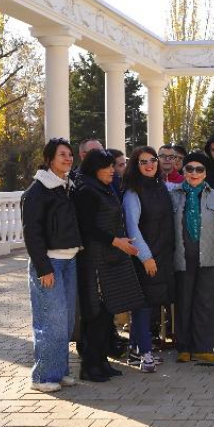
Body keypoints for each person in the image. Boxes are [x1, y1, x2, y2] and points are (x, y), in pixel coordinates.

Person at [74, 149, 145, 381]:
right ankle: (89, 366)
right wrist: (117, 242)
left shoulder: (101, 187)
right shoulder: (86, 191)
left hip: (110, 258)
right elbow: (88, 229)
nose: (113, 171)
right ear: (96, 168)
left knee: (107, 313)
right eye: (109, 167)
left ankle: (102, 361)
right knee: (96, 314)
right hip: (96, 260)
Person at [22, 138, 83, 392]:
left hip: (70, 261)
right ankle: (42, 377)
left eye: (70, 155)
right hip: (50, 264)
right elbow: (32, 233)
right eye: (62, 155)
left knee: (66, 321)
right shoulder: (37, 191)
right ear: (49, 159)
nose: (68, 159)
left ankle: (59, 371)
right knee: (51, 320)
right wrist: (44, 267)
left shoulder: (66, 186)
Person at [170, 152, 214, 363]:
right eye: (190, 169)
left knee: (205, 303)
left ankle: (203, 347)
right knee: (184, 302)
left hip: (208, 257)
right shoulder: (173, 195)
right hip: (181, 258)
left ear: (206, 173)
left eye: (199, 169)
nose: (194, 173)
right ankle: (184, 347)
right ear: (184, 171)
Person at [122, 146, 175, 373]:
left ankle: (134, 350)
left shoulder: (160, 187)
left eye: (152, 160)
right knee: (142, 306)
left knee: (149, 305)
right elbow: (132, 228)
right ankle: (145, 353)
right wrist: (146, 257)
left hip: (163, 255)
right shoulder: (132, 192)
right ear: (136, 165)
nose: (150, 165)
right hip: (146, 258)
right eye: (143, 162)